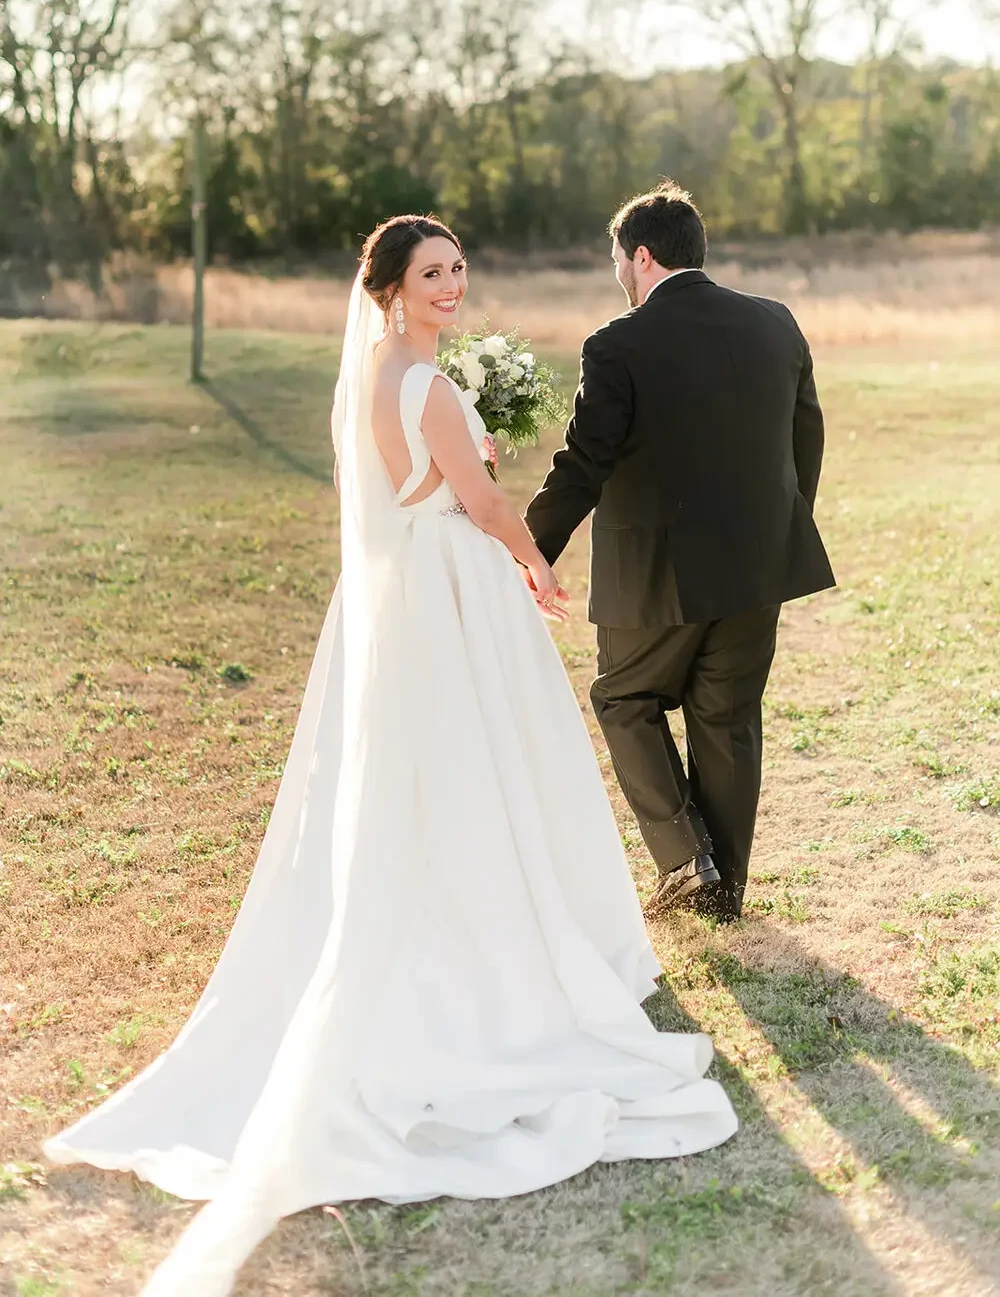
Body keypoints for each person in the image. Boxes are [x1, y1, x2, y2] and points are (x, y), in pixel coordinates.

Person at [44, 215, 736, 1297]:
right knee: (484, 774)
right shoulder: (419, 383)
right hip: (455, 587)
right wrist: (534, 566)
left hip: (411, 591)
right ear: (391, 286)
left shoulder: (383, 371)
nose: (454, 285)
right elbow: (481, 499)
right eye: (433, 273)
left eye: (459, 268)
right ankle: (492, 950)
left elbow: (417, 486)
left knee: (435, 778)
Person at [526, 182, 835, 924]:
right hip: (760, 563)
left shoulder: (616, 343)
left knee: (623, 699)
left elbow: (584, 462)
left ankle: (684, 862)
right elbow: (807, 436)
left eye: (618, 262)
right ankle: (722, 891)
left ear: (641, 256)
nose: (618, 277)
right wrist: (779, 525)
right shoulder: (775, 322)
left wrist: (528, 547)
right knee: (727, 721)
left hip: (654, 577)